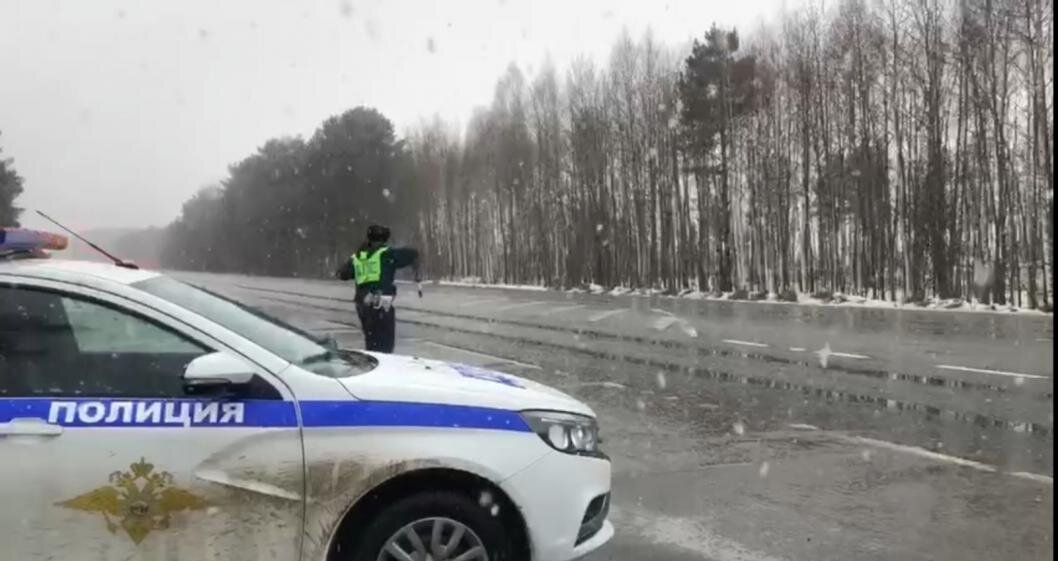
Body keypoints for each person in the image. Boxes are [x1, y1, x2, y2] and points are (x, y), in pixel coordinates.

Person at [336, 224, 420, 353]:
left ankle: (373, 364)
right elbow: (412, 254)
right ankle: (382, 369)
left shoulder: (357, 257)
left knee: (371, 342)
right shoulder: (386, 254)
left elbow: (342, 274)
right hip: (381, 305)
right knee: (385, 345)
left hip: (362, 305)